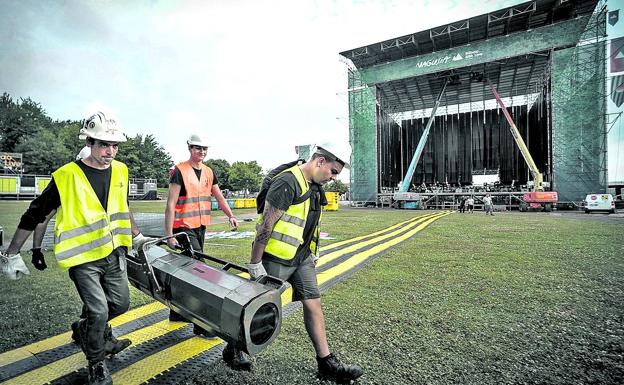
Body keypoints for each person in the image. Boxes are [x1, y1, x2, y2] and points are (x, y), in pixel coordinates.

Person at [0, 112, 152, 385]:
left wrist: (137, 235)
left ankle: (86, 330)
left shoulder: (122, 170)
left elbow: (123, 205)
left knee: (120, 304)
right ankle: (96, 362)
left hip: (114, 252)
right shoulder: (66, 176)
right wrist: (12, 252)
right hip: (83, 259)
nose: (111, 151)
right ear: (90, 142)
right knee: (98, 311)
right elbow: (35, 213)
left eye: (115, 145)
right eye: (104, 144)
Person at [223, 145, 363, 383]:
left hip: (301, 258)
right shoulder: (287, 183)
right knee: (257, 309)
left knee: (313, 304)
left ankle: (326, 362)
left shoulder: (315, 187)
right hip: (276, 259)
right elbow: (265, 226)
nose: (333, 177)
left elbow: (311, 223)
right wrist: (256, 262)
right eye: (333, 171)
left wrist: (312, 251)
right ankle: (232, 348)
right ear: (320, 161)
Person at [164, 134, 239, 333]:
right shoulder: (179, 171)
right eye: (198, 148)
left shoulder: (208, 172)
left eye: (205, 149)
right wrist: (169, 234)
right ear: (189, 148)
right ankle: (201, 323)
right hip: (183, 228)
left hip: (200, 227)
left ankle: (177, 312)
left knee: (188, 270)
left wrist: (230, 215)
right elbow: (170, 204)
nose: (202, 152)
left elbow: (219, 196)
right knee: (200, 272)